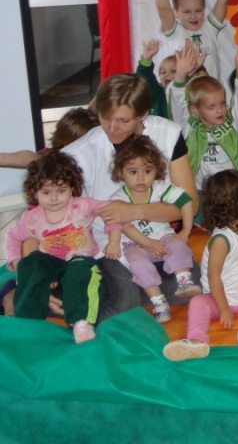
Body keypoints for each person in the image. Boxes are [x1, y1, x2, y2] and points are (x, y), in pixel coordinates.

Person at [62, 73, 198, 319]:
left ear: (143, 114)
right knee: (126, 303)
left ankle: (137, 288)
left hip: (158, 237)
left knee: (195, 283)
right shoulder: (81, 152)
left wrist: (134, 211)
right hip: (112, 246)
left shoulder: (168, 133)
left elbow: (190, 204)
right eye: (105, 117)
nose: (112, 128)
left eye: (123, 120)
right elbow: (49, 197)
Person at [5, 152, 121, 343]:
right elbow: (12, 237)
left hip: (80, 259)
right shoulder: (32, 218)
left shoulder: (81, 206)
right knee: (30, 264)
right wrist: (17, 262)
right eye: (46, 192)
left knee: (81, 272)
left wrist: (113, 240)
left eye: (61, 190)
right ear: (34, 192)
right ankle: (26, 319)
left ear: (71, 188)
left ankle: (81, 322)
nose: (54, 198)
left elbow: (112, 211)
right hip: (50, 261)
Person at [162, 170, 238, 360]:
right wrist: (223, 308)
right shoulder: (221, 240)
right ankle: (196, 340)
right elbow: (213, 276)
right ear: (236, 204)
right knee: (198, 302)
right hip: (219, 299)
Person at [110, 136, 200, 324]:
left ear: (156, 171)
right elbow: (125, 226)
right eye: (133, 172)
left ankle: (184, 280)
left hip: (164, 237)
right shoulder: (119, 198)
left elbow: (186, 201)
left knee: (179, 245)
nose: (141, 178)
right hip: (137, 244)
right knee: (137, 263)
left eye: (147, 171)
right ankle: (159, 302)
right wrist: (149, 243)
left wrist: (186, 230)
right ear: (120, 172)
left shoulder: (159, 188)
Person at [167, 41, 238, 197]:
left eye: (222, 103)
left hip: (234, 191)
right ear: (195, 110)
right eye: (211, 107)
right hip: (202, 193)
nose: (220, 110)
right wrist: (180, 75)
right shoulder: (190, 129)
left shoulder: (231, 125)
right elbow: (176, 106)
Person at [138, 0, 229, 81]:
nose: (193, 16)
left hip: (211, 91)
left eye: (198, 11)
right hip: (183, 91)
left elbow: (223, 1)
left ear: (204, 9)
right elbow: (163, 8)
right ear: (175, 12)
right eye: (186, 12)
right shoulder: (175, 32)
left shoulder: (210, 28)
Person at [0, 107, 97, 170]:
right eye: (68, 143)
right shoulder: (55, 157)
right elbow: (34, 158)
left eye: (77, 144)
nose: (72, 149)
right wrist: (4, 159)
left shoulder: (98, 159)